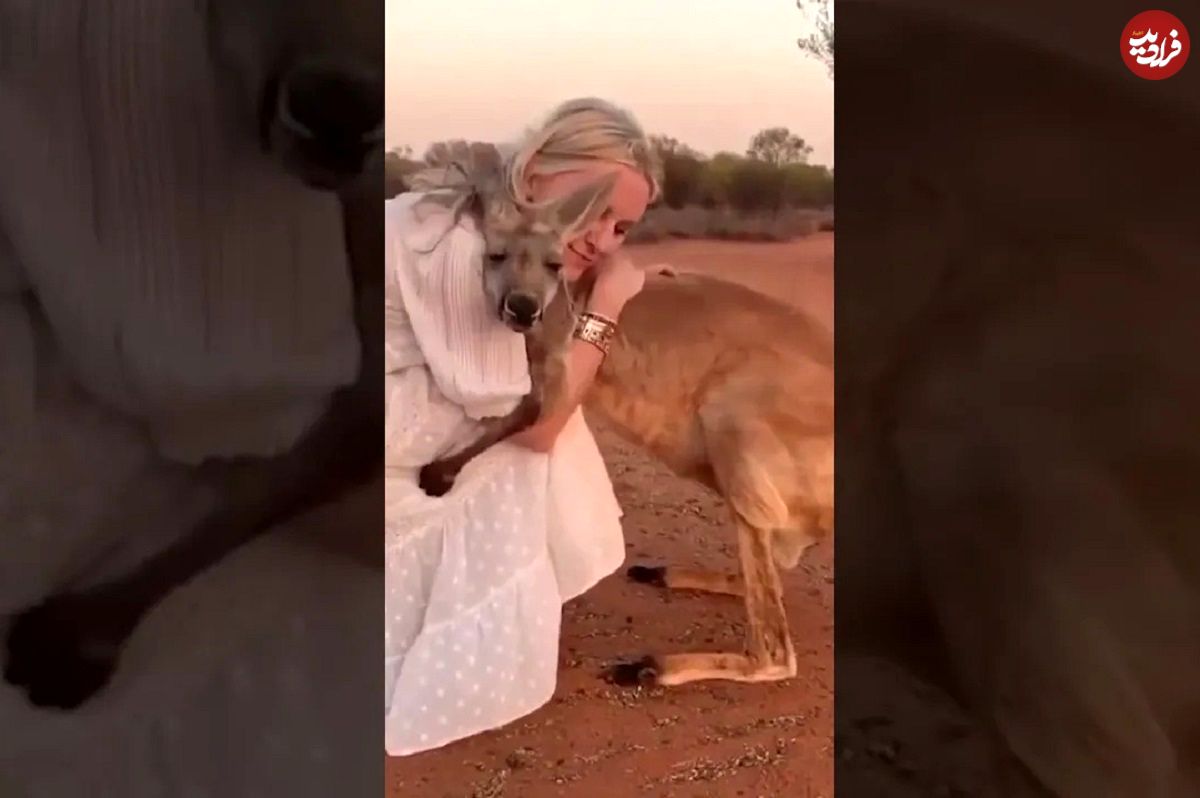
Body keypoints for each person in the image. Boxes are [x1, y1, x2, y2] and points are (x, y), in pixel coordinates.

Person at [385, 98, 662, 756]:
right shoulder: (466, 249)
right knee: (552, 435)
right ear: (535, 172)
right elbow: (542, 422)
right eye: (591, 208)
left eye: (621, 228)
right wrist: (610, 303)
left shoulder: (473, 214)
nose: (598, 237)